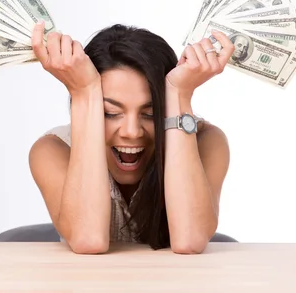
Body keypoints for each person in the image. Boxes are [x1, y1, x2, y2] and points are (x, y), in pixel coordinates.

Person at [28, 20, 234, 255]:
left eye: (150, 113)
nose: (132, 131)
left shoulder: (206, 142)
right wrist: (84, 93)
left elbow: (190, 240)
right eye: (110, 113)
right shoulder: (52, 150)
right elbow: (88, 240)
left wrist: (179, 95)